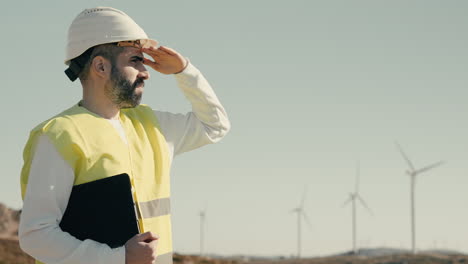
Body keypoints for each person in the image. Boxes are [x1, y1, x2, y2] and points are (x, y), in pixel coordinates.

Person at [18, 7, 230, 264]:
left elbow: (215, 125)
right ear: (100, 66)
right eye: (135, 60)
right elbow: (36, 235)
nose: (146, 71)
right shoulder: (60, 135)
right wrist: (119, 258)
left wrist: (184, 71)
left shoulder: (153, 125)